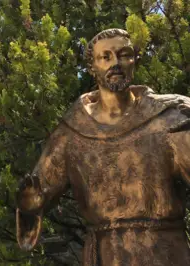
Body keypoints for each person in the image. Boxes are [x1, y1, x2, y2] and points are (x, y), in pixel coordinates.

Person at [16, 28, 190, 265]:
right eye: (105, 57)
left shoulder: (169, 117)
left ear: (135, 60)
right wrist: (31, 202)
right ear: (92, 67)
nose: (115, 63)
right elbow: (38, 195)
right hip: (105, 255)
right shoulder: (73, 131)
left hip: (164, 251)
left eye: (124, 54)